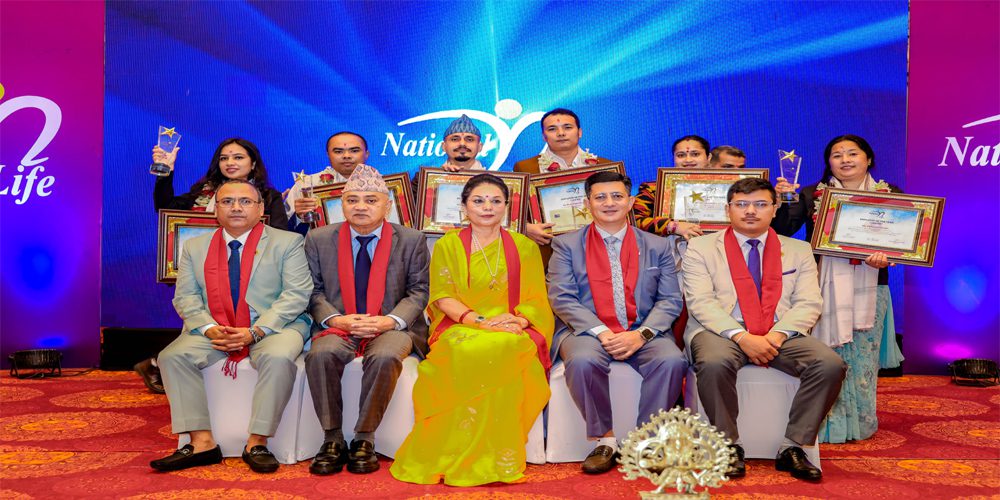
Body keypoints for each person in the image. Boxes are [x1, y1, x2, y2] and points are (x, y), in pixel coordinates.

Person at [390, 173, 554, 486]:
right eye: (478, 201)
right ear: (465, 206)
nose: (487, 207)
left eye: (495, 201)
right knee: (466, 348)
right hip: (460, 325)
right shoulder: (448, 244)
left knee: (508, 346)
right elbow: (442, 296)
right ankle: (453, 449)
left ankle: (497, 455)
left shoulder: (525, 246)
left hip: (509, 326)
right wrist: (479, 321)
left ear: (507, 206)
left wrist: (519, 321)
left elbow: (536, 298)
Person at [682, 177, 846, 482]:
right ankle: (727, 445)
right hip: (721, 331)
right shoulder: (700, 247)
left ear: (775, 208)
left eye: (760, 204)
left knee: (829, 364)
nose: (750, 211)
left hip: (779, 332)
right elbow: (700, 302)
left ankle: (793, 446)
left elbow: (809, 302)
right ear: (728, 209)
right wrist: (743, 337)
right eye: (741, 204)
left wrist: (776, 336)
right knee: (714, 362)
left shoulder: (798, 249)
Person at [151, 179, 312, 474]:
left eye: (245, 201)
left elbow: (296, 295)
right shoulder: (195, 246)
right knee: (172, 357)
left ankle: (257, 442)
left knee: (277, 357)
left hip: (275, 326)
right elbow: (185, 297)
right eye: (227, 201)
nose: (236, 207)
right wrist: (209, 328)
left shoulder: (288, 242)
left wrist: (255, 331)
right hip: (216, 327)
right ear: (215, 209)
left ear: (260, 209)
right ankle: (201, 442)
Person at [547, 171, 686, 474]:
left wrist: (641, 335)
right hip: (586, 331)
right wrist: (602, 332)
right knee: (582, 360)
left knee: (672, 361)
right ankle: (606, 440)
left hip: (643, 329)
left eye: (617, 196)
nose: (609, 203)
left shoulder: (657, 246)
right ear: (587, 204)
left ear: (630, 202)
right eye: (600, 197)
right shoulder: (566, 245)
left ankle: (647, 441)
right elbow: (562, 298)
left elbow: (670, 300)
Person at [773, 134, 903, 443]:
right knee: (827, 356)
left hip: (872, 288)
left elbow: (901, 238)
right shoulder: (812, 194)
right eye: (837, 155)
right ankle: (825, 424)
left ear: (868, 159)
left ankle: (860, 422)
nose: (845, 159)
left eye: (852, 153)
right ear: (828, 162)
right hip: (821, 287)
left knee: (864, 359)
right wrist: (785, 199)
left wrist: (890, 257)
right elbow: (782, 230)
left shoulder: (890, 194)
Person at [303, 165, 430, 475]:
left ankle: (364, 437)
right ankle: (332, 438)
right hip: (339, 324)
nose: (361, 207)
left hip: (390, 325)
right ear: (341, 204)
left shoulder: (411, 239)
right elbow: (313, 291)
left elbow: (418, 292)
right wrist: (337, 320)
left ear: (388, 205)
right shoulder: (319, 238)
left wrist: (390, 321)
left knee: (386, 356)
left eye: (371, 200)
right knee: (321, 354)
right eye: (353, 200)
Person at [138, 138, 290, 394]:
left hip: (253, 278)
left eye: (238, 157)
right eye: (224, 158)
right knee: (201, 323)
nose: (230, 162)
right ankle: (165, 366)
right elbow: (166, 210)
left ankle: (158, 365)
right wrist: (165, 173)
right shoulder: (203, 193)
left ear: (253, 163)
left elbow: (279, 235)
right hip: (207, 275)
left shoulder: (267, 197)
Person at [514, 108, 613, 259]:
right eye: (552, 129)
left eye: (567, 127)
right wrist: (526, 228)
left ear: (579, 132)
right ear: (544, 136)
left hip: (600, 246)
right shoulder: (525, 168)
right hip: (550, 249)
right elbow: (514, 213)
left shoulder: (606, 166)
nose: (561, 133)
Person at [286, 131, 370, 234]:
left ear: (366, 154)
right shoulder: (306, 185)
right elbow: (283, 231)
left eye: (354, 150)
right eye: (338, 151)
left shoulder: (382, 185)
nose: (346, 156)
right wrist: (299, 217)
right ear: (328, 155)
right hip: (321, 243)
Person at [632, 135, 711, 239]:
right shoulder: (655, 188)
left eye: (695, 154)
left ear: (709, 157)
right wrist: (673, 226)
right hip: (669, 246)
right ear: (674, 158)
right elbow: (634, 220)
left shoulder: (724, 187)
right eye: (681, 155)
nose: (688, 160)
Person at [410, 115, 487, 200]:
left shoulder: (495, 182)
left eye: (469, 139)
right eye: (454, 139)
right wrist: (441, 178)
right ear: (444, 146)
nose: (462, 144)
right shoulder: (422, 180)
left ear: (480, 147)